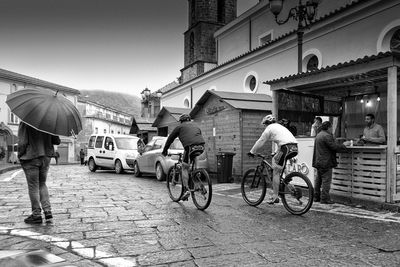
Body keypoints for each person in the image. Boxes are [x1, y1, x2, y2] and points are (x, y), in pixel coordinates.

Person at [248, 115, 298, 204]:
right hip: (294, 147)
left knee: (276, 171)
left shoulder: (269, 128)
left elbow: (261, 141)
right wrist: (275, 152)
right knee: (279, 164)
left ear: (266, 123)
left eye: (264, 125)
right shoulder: (280, 127)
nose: (264, 127)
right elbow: (282, 142)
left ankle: (275, 196)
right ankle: (290, 183)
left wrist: (252, 151)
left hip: (285, 148)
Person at [18, 122, 61, 224]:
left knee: (33, 186)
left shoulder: (26, 121)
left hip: (31, 156)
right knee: (42, 184)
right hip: (46, 156)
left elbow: (22, 142)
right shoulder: (49, 121)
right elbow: (57, 141)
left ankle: (36, 214)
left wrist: (20, 155)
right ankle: (48, 212)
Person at [161, 114, 205, 201]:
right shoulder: (196, 125)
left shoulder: (179, 127)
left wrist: (165, 150)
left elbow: (170, 139)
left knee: (184, 167)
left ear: (181, 121)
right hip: (201, 146)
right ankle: (197, 171)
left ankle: (186, 190)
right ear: (189, 120)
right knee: (194, 155)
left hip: (190, 147)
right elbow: (196, 137)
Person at [312, 121, 347, 204]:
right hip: (326, 162)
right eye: (331, 127)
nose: (332, 129)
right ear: (328, 127)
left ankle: (316, 197)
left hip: (318, 161)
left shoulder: (319, 134)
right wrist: (344, 145)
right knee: (326, 181)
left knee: (318, 180)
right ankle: (324, 199)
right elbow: (334, 147)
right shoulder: (327, 136)